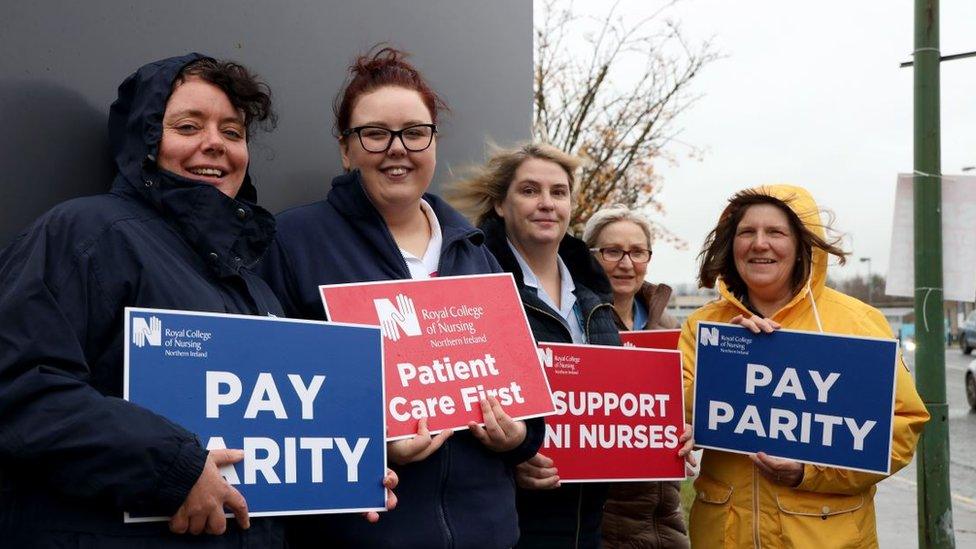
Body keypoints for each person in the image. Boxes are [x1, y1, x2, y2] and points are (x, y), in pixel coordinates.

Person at [258, 46, 542, 549]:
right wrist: (372, 447)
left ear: (433, 142)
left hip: (489, 532)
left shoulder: (478, 252)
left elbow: (529, 403)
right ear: (346, 149)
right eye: (375, 133)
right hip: (359, 535)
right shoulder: (292, 241)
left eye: (415, 132)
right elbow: (266, 401)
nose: (398, 149)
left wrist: (519, 438)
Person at [0, 53, 286, 546]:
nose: (214, 144)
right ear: (146, 142)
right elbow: (21, 387)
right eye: (188, 126)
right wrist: (173, 466)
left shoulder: (254, 285)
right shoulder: (86, 233)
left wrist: (352, 477)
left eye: (233, 132)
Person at [447, 143, 694, 548]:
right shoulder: (472, 287)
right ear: (500, 205)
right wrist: (513, 457)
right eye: (529, 191)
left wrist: (663, 433)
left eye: (558, 192)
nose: (546, 204)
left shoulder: (594, 297)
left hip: (586, 525)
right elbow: (448, 405)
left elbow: (613, 407)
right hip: (511, 526)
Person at [678, 184, 930, 548]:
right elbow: (676, 417)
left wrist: (808, 472)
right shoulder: (702, 327)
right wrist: (729, 363)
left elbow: (900, 430)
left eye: (775, 232)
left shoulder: (858, 323)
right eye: (747, 232)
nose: (759, 243)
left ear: (800, 247)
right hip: (724, 536)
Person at [582, 205, 688, 548]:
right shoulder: (574, 325)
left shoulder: (669, 327)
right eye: (612, 251)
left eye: (637, 252)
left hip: (666, 518)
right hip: (604, 523)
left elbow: (684, 404)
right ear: (590, 256)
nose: (626, 264)